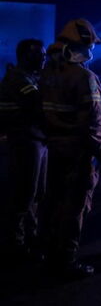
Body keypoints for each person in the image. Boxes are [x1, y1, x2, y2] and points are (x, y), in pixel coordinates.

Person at [40, 19, 101, 279]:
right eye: (91, 43)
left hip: (54, 148)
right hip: (78, 152)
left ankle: (49, 255)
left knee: (53, 203)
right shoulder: (84, 77)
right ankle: (66, 262)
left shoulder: (49, 73)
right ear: (83, 44)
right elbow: (90, 125)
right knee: (74, 208)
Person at [0, 39, 47, 264]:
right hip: (25, 140)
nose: (44, 58)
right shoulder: (19, 79)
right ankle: (15, 244)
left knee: (36, 192)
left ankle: (31, 236)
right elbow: (38, 103)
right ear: (26, 56)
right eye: (39, 54)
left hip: (36, 139)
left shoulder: (30, 77)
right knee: (23, 193)